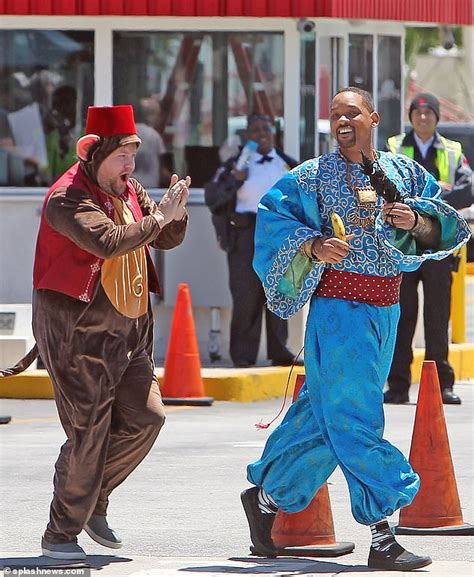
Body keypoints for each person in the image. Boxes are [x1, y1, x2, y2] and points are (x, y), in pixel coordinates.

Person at [240, 87, 470, 571]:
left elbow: (442, 223)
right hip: (339, 312)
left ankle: (265, 497)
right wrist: (313, 245)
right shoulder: (312, 177)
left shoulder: (403, 171)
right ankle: (382, 531)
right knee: (355, 417)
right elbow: (272, 220)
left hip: (387, 309)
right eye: (334, 116)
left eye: (351, 114)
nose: (342, 122)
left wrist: (418, 220)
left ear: (373, 117)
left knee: (323, 418)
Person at [0, 105, 190, 560]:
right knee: (89, 431)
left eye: (133, 155)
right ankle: (61, 533)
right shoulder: (66, 198)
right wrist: (158, 218)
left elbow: (164, 239)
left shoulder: (130, 189)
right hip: (75, 331)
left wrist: (175, 213)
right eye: (122, 155)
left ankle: (92, 500)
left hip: (127, 330)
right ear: (93, 152)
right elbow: (106, 241)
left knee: (147, 418)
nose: (130, 165)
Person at [385, 92, 473, 405]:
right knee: (402, 316)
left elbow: (468, 188)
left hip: (438, 246)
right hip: (404, 246)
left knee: (438, 317)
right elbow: (386, 187)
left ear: (437, 117)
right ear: (410, 116)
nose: (423, 118)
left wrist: (430, 209)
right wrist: (433, 198)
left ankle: (441, 385)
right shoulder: (395, 146)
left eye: (429, 113)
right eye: (418, 113)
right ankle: (397, 386)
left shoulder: (451, 150)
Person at [205, 114, 299, 368]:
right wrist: (235, 179)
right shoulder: (235, 165)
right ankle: (243, 355)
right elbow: (214, 199)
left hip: (279, 233)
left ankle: (280, 351)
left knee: (280, 291)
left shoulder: (287, 163)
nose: (262, 134)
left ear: (274, 134)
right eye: (255, 131)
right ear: (247, 137)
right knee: (246, 293)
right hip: (246, 233)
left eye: (266, 129)